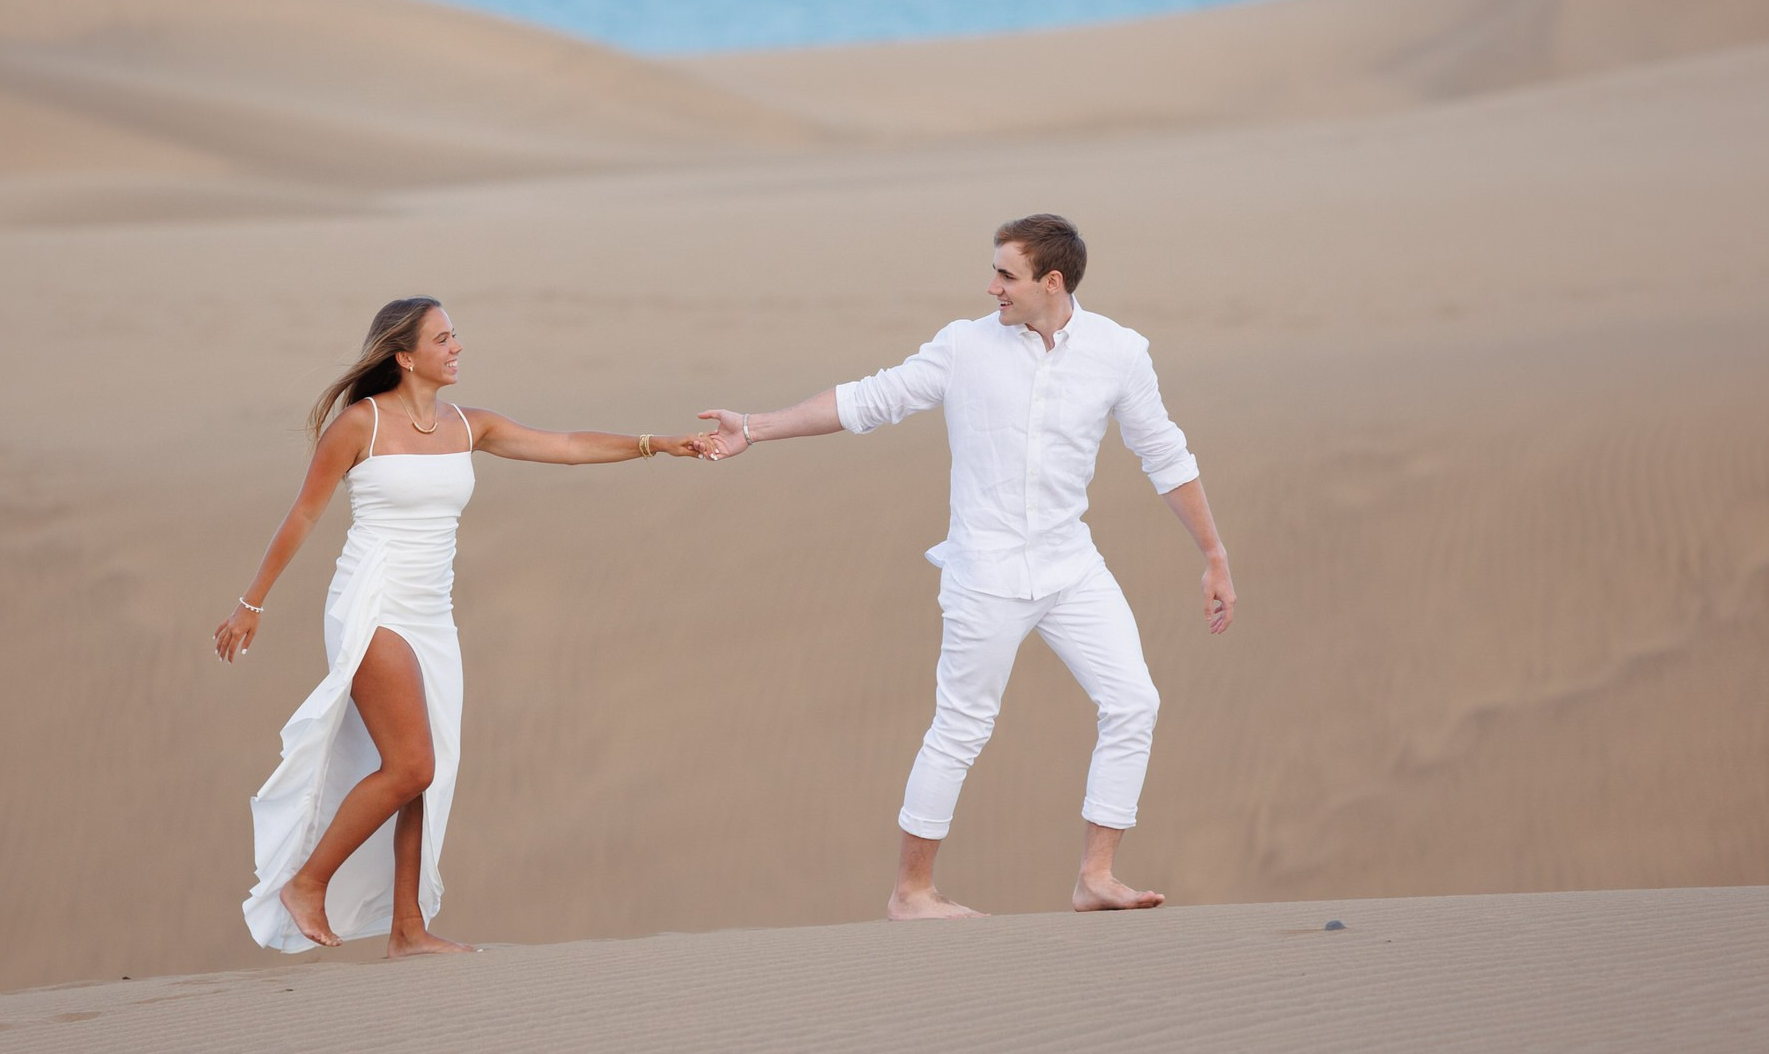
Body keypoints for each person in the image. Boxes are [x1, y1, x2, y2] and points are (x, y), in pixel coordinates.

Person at [698, 215, 1234, 919]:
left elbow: (1164, 453)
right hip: (985, 573)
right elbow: (869, 399)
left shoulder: (1120, 353)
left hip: (1072, 567)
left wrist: (1214, 554)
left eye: (1005, 275)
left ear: (1052, 281)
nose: (991, 288)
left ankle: (1095, 877)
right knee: (960, 728)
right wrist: (756, 425)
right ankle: (911, 892)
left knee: (1134, 701)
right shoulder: (963, 348)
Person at [215, 296, 708, 956]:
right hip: (374, 600)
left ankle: (408, 930)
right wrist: (251, 603)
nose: (457, 348)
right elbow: (303, 515)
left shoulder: (467, 425)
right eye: (443, 339)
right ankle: (306, 883)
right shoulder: (358, 425)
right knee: (412, 763)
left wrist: (655, 445)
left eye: (456, 337)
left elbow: (563, 446)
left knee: (431, 767)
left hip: (431, 612)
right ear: (404, 354)